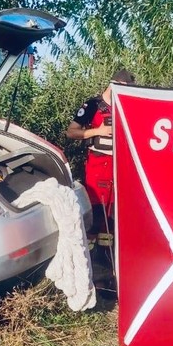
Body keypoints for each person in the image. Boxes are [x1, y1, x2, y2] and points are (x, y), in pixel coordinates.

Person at [66, 69, 136, 229]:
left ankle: (111, 251)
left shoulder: (125, 105)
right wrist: (99, 131)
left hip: (120, 167)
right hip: (99, 166)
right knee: (98, 214)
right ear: (116, 84)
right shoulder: (92, 105)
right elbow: (71, 132)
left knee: (116, 216)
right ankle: (96, 251)